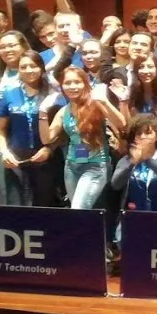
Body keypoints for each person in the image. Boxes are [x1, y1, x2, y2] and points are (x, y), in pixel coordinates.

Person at [40, 66, 124, 210]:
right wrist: (42, 112)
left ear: (85, 84)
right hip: (71, 167)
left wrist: (104, 101)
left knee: (78, 209)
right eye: (67, 83)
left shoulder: (96, 104)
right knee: (80, 213)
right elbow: (47, 139)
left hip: (96, 166)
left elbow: (121, 123)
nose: (72, 86)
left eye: (77, 82)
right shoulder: (64, 111)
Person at [0, 50, 57, 207]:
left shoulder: (53, 94)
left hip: (44, 158)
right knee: (15, 205)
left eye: (33, 66)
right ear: (19, 70)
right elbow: (0, 129)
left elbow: (61, 130)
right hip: (16, 159)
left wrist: (49, 149)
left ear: (41, 68)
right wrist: (4, 151)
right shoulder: (10, 94)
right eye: (24, 67)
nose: (29, 70)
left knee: (43, 206)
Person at [111, 114, 157, 212]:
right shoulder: (126, 160)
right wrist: (131, 163)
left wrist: (147, 159)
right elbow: (116, 185)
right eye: (139, 133)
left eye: (148, 133)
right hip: (132, 216)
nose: (143, 137)